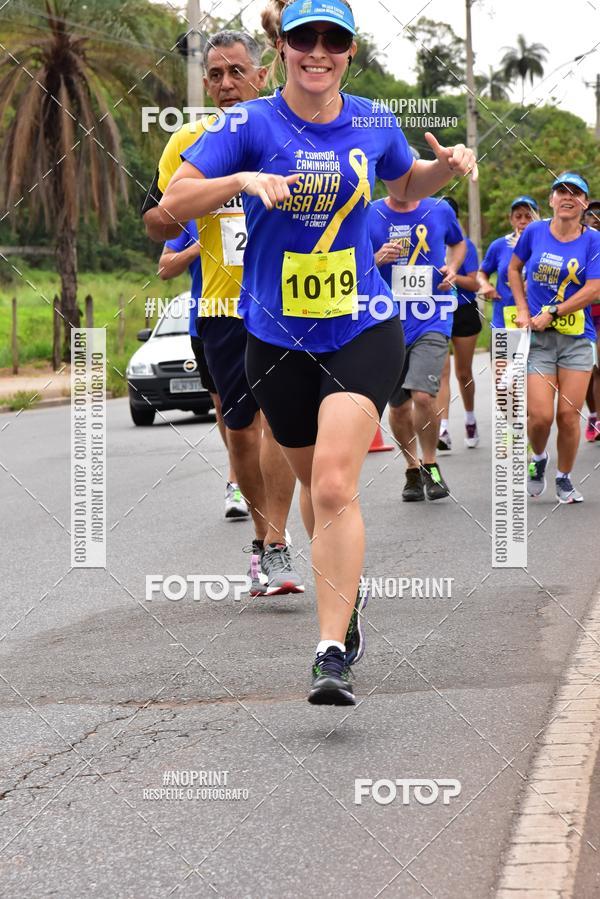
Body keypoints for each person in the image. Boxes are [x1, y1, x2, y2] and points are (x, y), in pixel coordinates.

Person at [158, 0, 477, 704]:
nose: (319, 50)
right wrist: (239, 182)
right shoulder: (247, 124)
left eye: (335, 40)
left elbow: (404, 184)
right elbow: (176, 201)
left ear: (350, 53)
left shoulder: (371, 120)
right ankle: (347, 596)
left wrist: (446, 169)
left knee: (335, 483)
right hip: (274, 342)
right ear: (285, 48)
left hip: (363, 325)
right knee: (310, 484)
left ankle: (330, 649)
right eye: (306, 37)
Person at [142, 30, 302, 596]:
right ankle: (260, 538)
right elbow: (158, 221)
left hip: (285, 304)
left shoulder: (289, 131)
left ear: (264, 73)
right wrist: (217, 191)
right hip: (220, 308)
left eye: (238, 71)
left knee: (279, 427)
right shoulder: (189, 140)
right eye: (215, 74)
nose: (227, 84)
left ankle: (278, 544)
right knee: (240, 436)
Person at [369, 189, 466, 501]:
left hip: (432, 316)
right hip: (386, 319)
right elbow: (350, 261)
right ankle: (412, 467)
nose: (404, 182)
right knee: (397, 407)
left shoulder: (439, 210)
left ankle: (431, 464)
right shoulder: (369, 213)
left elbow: (458, 243)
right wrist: (374, 259)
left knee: (423, 395)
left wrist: (452, 267)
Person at [508, 172, 600, 504]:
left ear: (584, 203)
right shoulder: (534, 231)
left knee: (567, 415)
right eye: (561, 191)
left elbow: (594, 288)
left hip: (576, 338)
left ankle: (563, 477)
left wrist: (555, 312)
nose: (567, 197)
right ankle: (538, 458)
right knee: (541, 416)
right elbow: (513, 269)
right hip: (539, 340)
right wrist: (521, 307)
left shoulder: (593, 241)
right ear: (551, 200)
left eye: (576, 193)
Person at [158, 219, 249, 519]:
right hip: (210, 321)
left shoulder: (256, 200)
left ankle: (242, 479)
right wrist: (197, 249)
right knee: (223, 405)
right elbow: (165, 268)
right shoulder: (195, 213)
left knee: (262, 407)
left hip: (260, 318)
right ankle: (240, 474)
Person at [436, 196, 481, 451]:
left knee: (463, 372)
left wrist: (452, 275)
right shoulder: (426, 242)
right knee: (441, 373)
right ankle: (442, 429)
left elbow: (475, 284)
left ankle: (470, 417)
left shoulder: (467, 246)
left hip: (463, 310)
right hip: (436, 311)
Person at [479, 195, 538, 331]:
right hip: (504, 319)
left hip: (537, 318)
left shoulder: (545, 245)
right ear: (511, 219)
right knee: (504, 354)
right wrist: (485, 285)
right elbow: (482, 272)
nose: (523, 221)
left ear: (537, 218)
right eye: (518, 216)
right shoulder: (499, 245)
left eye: (528, 216)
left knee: (536, 353)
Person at [582, 199, 600, 441]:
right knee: (588, 368)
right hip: (581, 313)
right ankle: (593, 415)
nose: (596, 217)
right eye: (591, 214)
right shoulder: (578, 244)